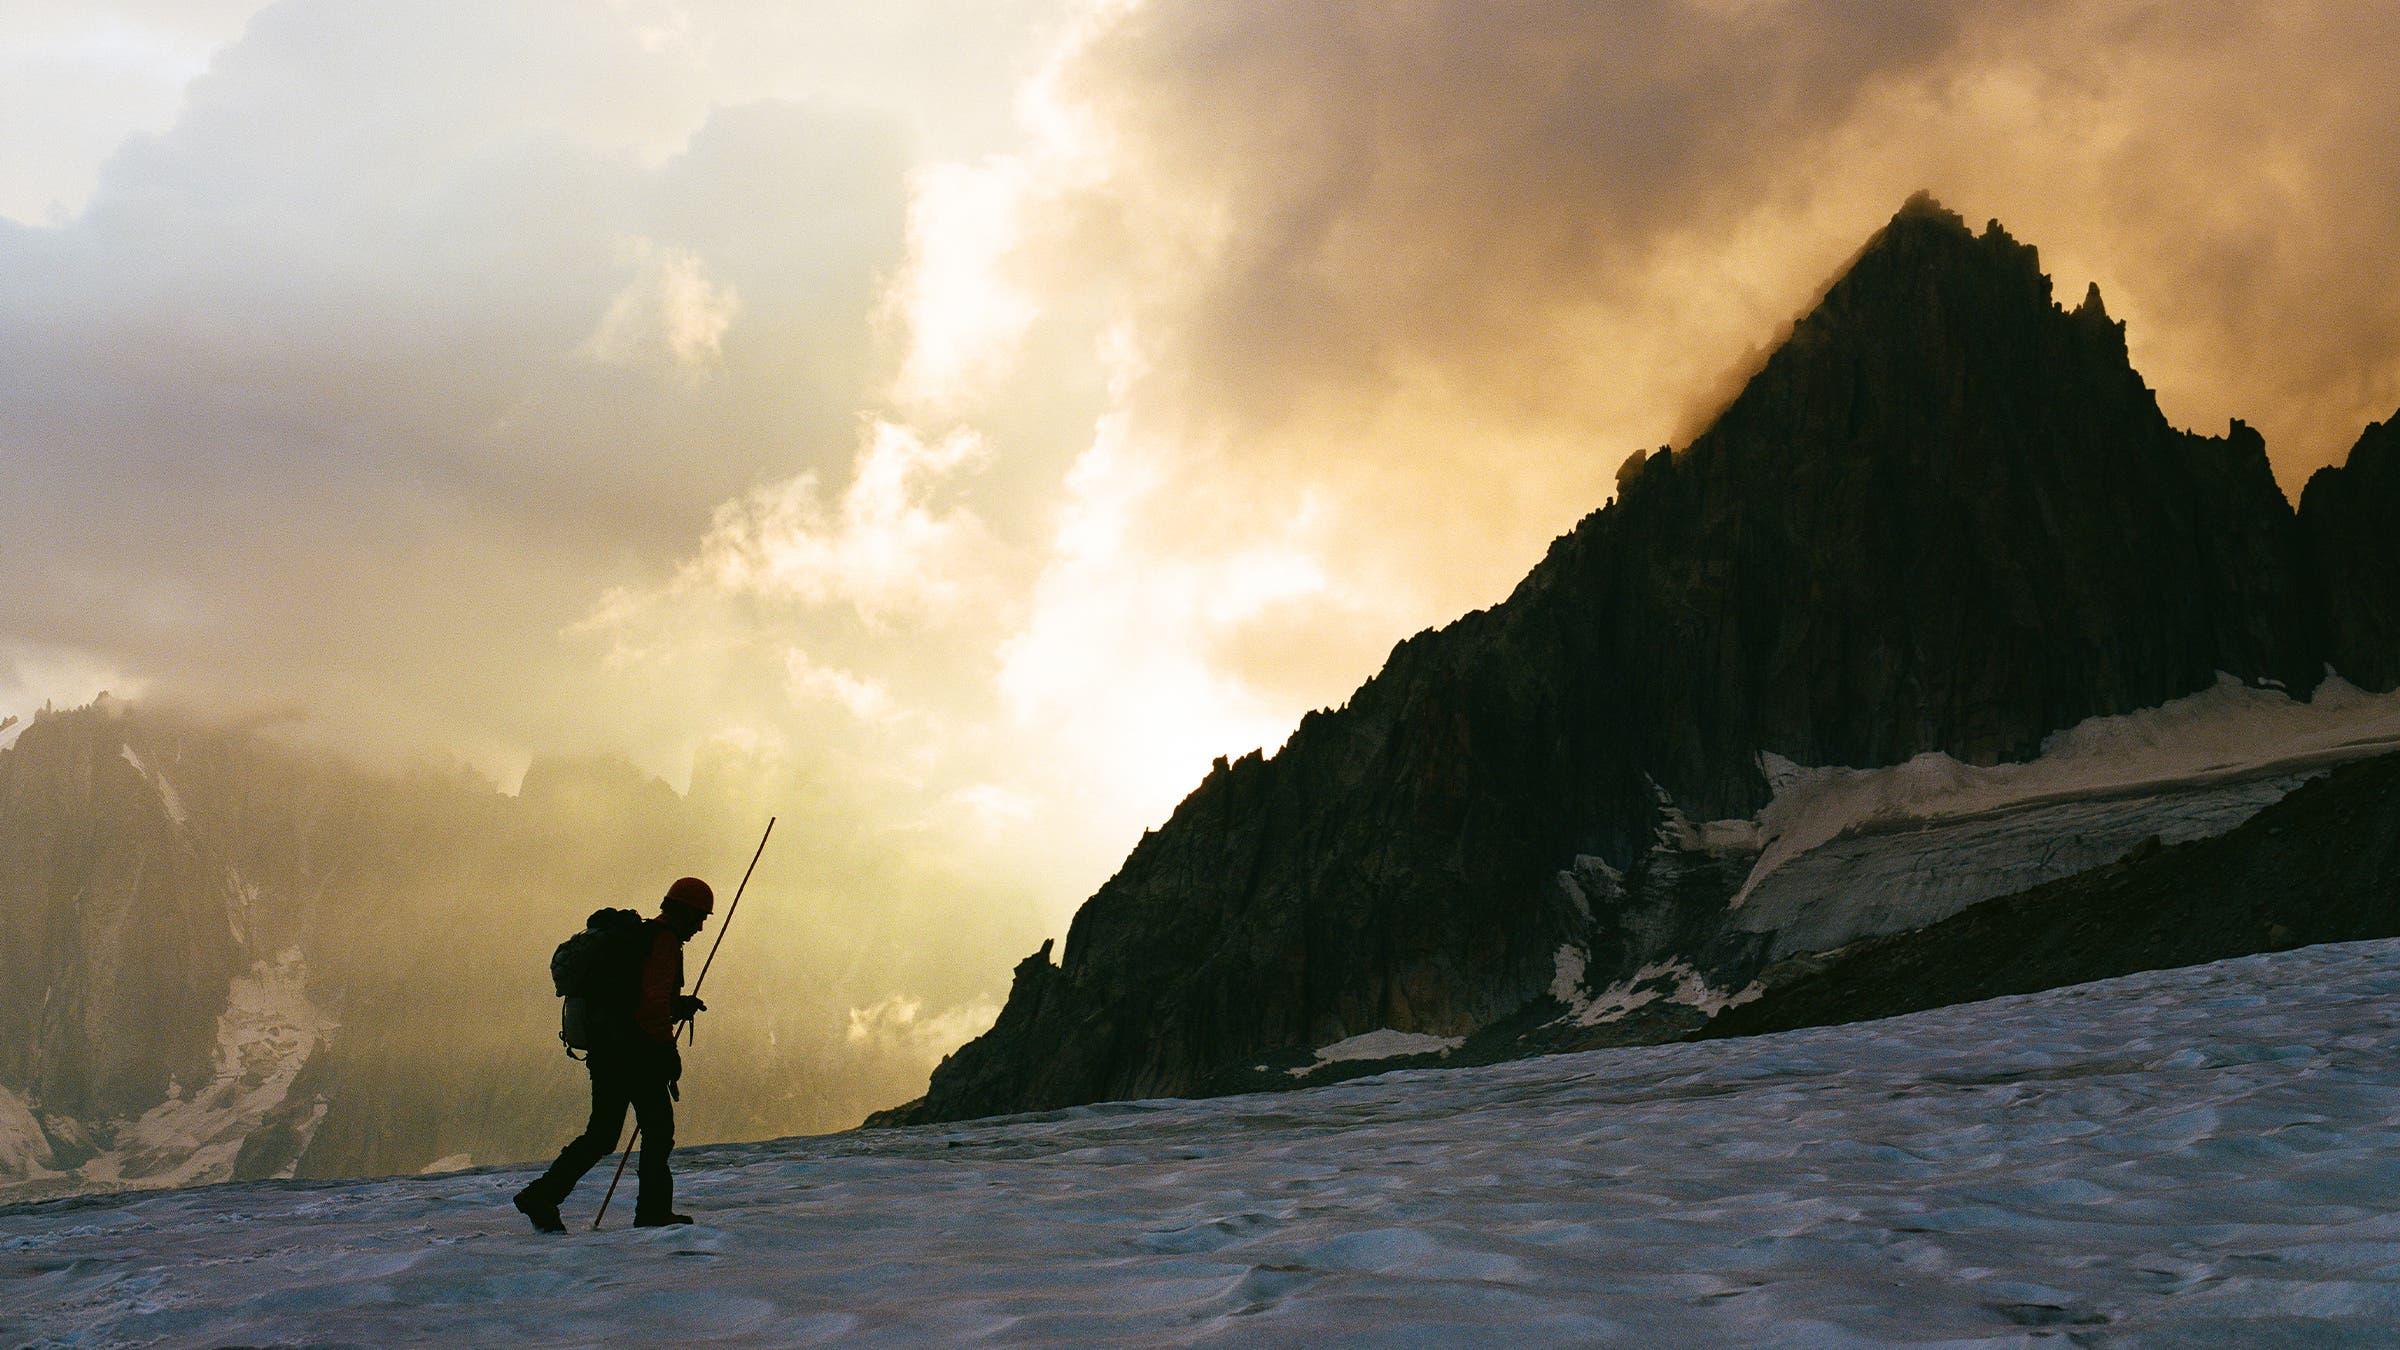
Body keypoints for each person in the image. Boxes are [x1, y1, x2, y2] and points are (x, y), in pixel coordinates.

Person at [514, 877, 712, 1232]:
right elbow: (650, 1006)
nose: (700, 927)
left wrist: (677, 1006)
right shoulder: (663, 943)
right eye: (699, 917)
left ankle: (543, 1196)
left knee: (602, 1135)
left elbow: (639, 998)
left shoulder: (640, 940)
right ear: (683, 912)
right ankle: (652, 1212)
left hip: (607, 1051)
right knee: (658, 1131)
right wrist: (668, 1053)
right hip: (637, 1055)